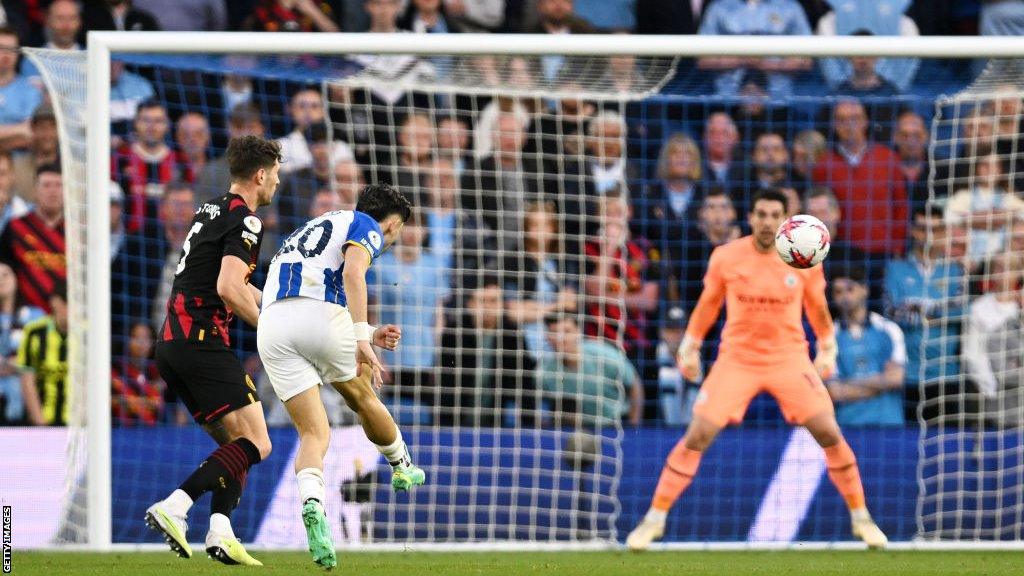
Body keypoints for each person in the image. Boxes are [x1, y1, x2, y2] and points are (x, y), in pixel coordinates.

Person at [626, 189, 887, 550]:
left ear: (785, 219)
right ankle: (653, 520)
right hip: (737, 359)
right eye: (760, 214)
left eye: (774, 214)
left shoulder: (803, 257)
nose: (767, 222)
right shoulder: (726, 257)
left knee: (828, 432)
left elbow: (817, 308)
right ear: (750, 218)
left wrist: (827, 347)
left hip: (789, 359)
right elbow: (708, 305)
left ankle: (862, 518)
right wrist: (690, 346)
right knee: (698, 434)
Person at [257, 183, 422, 568]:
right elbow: (352, 274)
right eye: (396, 230)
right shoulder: (367, 225)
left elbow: (318, 286)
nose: (393, 240)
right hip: (316, 316)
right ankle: (402, 466)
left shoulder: (315, 226)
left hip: (272, 327)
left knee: (314, 434)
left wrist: (364, 330)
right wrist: (363, 334)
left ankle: (313, 504)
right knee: (363, 396)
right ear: (392, 223)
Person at [144, 136, 283, 567]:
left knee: (234, 444)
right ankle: (177, 505)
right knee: (259, 442)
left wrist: (276, 306)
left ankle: (221, 532)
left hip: (173, 344)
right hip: (202, 342)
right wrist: (273, 330)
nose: (277, 182)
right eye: (275, 174)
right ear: (261, 174)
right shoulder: (248, 221)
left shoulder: (210, 209)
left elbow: (232, 283)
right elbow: (227, 287)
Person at [829, 266, 907, 426]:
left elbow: (896, 379)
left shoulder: (889, 329)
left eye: (850, 289)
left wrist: (849, 382)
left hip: (889, 425)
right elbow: (834, 392)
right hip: (848, 426)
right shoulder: (828, 336)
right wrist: (881, 381)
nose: (844, 296)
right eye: (838, 292)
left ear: (865, 290)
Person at [541, 314, 642, 428]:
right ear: (547, 337)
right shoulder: (544, 372)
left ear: (578, 332)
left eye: (567, 331)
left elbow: (634, 382)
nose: (561, 338)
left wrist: (634, 425)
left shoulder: (604, 355)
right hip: (576, 431)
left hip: (616, 425)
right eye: (554, 332)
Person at [963, 252, 1024, 427]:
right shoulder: (979, 308)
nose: (1003, 273)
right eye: (998, 267)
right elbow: (973, 354)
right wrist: (991, 388)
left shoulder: (1020, 306)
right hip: (994, 393)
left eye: (1010, 268)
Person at [0, 164, 66, 312]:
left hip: (68, 320)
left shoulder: (76, 233)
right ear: (34, 191)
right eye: (46, 185)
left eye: (58, 185)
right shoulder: (16, 227)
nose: (53, 191)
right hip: (23, 318)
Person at [17, 282, 69, 426]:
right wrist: (40, 422)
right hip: (42, 422)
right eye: (66, 303)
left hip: (78, 424)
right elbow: (27, 379)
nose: (72, 309)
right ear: (55, 302)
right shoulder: (35, 331)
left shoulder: (89, 334)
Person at [0, 26, 42, 152]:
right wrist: (16, 130)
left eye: (12, 49)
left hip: (20, 163)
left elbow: (31, 133)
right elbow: (22, 131)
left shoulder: (30, 90)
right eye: (1, 48)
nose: (6, 54)